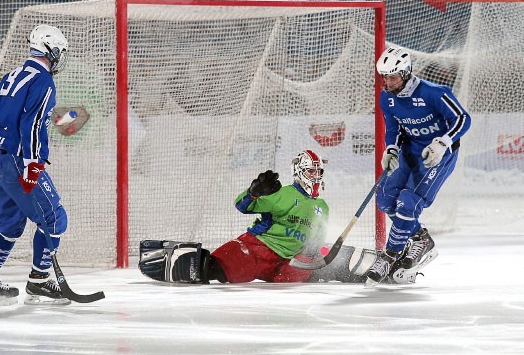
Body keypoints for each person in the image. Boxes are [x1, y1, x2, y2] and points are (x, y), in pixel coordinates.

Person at [139, 150, 407, 285]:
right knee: (215, 270)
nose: (316, 176)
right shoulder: (284, 194)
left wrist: (319, 251)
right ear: (300, 172)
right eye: (311, 171)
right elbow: (241, 206)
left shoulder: (322, 207)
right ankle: (175, 259)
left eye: (318, 171)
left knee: (331, 262)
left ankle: (384, 267)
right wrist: (254, 193)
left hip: (293, 259)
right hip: (259, 249)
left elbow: (317, 240)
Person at [0, 24, 70, 305]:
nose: (59, 57)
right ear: (50, 50)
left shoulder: (12, 74)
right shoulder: (43, 81)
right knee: (54, 217)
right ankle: (39, 281)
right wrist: (33, 164)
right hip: (15, 159)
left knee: (10, 223)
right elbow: (33, 124)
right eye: (59, 52)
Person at [365, 46, 471, 286]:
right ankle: (421, 239)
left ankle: (389, 256)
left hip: (437, 155)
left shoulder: (434, 93)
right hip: (410, 152)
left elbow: (463, 119)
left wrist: (443, 142)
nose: (388, 82)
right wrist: (391, 149)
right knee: (385, 199)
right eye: (385, 77)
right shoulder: (387, 97)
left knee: (407, 203)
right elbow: (393, 129)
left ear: (406, 73)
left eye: (392, 77)